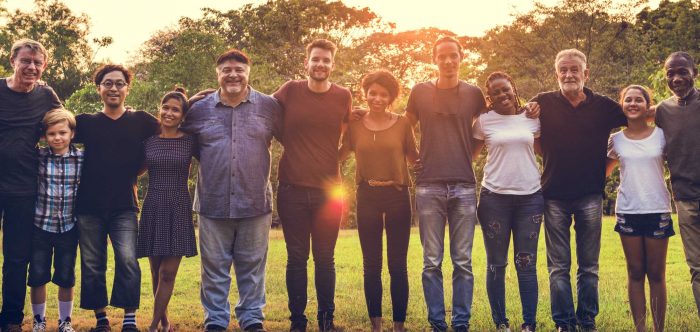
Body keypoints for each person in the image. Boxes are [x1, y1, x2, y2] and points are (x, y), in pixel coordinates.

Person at [181, 49, 281, 332]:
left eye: (239, 69)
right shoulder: (198, 110)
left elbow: (296, 134)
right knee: (213, 270)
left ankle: (251, 319)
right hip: (213, 202)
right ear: (218, 74)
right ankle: (215, 319)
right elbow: (176, 134)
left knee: (252, 268)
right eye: (226, 69)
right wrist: (187, 101)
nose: (233, 74)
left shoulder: (269, 106)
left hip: (255, 201)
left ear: (249, 72)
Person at [531, 49, 627, 332]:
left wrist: (605, 167)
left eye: (575, 69)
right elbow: (529, 134)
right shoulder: (542, 102)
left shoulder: (604, 106)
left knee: (589, 265)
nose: (569, 74)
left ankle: (586, 320)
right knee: (558, 266)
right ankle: (563, 322)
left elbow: (636, 120)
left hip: (590, 195)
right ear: (556, 74)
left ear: (586, 73)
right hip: (553, 195)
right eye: (564, 70)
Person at [405, 36, 486, 332]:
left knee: (463, 262)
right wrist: (413, 158)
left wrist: (469, 156)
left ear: (461, 56)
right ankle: (438, 323)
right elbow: (404, 128)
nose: (448, 61)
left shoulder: (474, 94)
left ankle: (461, 323)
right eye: (442, 56)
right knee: (431, 261)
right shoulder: (419, 92)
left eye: (453, 55)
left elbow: (488, 126)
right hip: (428, 187)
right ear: (434, 59)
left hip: (464, 186)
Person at [273, 39, 352, 332]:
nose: (320, 65)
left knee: (325, 258)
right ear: (306, 63)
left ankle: (326, 320)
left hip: (329, 192)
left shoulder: (343, 96)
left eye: (326, 60)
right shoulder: (290, 90)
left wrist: (336, 158)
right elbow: (260, 110)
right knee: (296, 258)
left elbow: (349, 133)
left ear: (333, 65)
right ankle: (298, 321)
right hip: (292, 188)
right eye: (315, 59)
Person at [74, 64, 160, 332]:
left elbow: (171, 127)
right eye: (108, 83)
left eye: (119, 83)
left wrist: (137, 170)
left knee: (127, 259)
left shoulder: (142, 121)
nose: (114, 88)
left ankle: (130, 319)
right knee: (92, 262)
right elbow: (53, 131)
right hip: (88, 205)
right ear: (98, 88)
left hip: (124, 204)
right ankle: (101, 319)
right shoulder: (85, 122)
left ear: (127, 88)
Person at [339, 70, 418, 332]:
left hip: (397, 196)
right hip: (367, 195)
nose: (377, 98)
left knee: (397, 264)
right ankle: (376, 325)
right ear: (365, 93)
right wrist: (339, 121)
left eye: (383, 94)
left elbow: (414, 158)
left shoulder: (403, 124)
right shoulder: (355, 125)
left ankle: (398, 325)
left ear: (392, 97)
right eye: (372, 92)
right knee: (371, 264)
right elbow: (339, 156)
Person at [471, 72, 543, 332]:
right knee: (496, 263)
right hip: (494, 200)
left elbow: (548, 153)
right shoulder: (483, 122)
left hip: (531, 199)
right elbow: (469, 156)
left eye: (506, 89)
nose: (502, 95)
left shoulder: (533, 119)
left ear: (514, 88)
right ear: (489, 98)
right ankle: (501, 323)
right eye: (496, 93)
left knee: (526, 263)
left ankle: (529, 324)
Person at [0, 38, 62, 332]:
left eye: (37, 63)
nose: (31, 67)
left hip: (24, 189)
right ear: (12, 60)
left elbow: (64, 123)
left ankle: (11, 319)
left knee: (16, 258)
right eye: (26, 61)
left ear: (44, 66)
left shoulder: (46, 95)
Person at [606, 85, 673, 332]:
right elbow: (602, 171)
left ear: (648, 106)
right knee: (635, 272)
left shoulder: (662, 135)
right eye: (628, 100)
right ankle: (641, 329)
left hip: (657, 208)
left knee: (656, 273)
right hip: (628, 210)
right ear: (622, 105)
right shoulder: (616, 140)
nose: (633, 104)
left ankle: (659, 329)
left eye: (639, 100)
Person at [136, 88, 198, 332]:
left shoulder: (190, 141)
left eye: (175, 109)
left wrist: (195, 97)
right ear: (159, 109)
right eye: (166, 107)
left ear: (183, 115)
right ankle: (164, 322)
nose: (169, 113)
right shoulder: (148, 142)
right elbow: (136, 170)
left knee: (168, 272)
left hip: (179, 207)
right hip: (153, 206)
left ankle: (152, 326)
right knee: (155, 271)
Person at [654, 51, 700, 317]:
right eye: (670, 73)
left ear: (694, 72)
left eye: (682, 71)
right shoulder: (663, 110)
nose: (677, 78)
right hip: (684, 199)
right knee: (696, 266)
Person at [28, 109, 82, 332]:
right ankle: (39, 320)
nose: (57, 138)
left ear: (72, 133)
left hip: (69, 227)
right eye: (51, 134)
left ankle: (64, 321)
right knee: (38, 275)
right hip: (40, 225)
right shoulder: (38, 157)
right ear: (44, 136)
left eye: (62, 132)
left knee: (66, 276)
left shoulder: (81, 159)